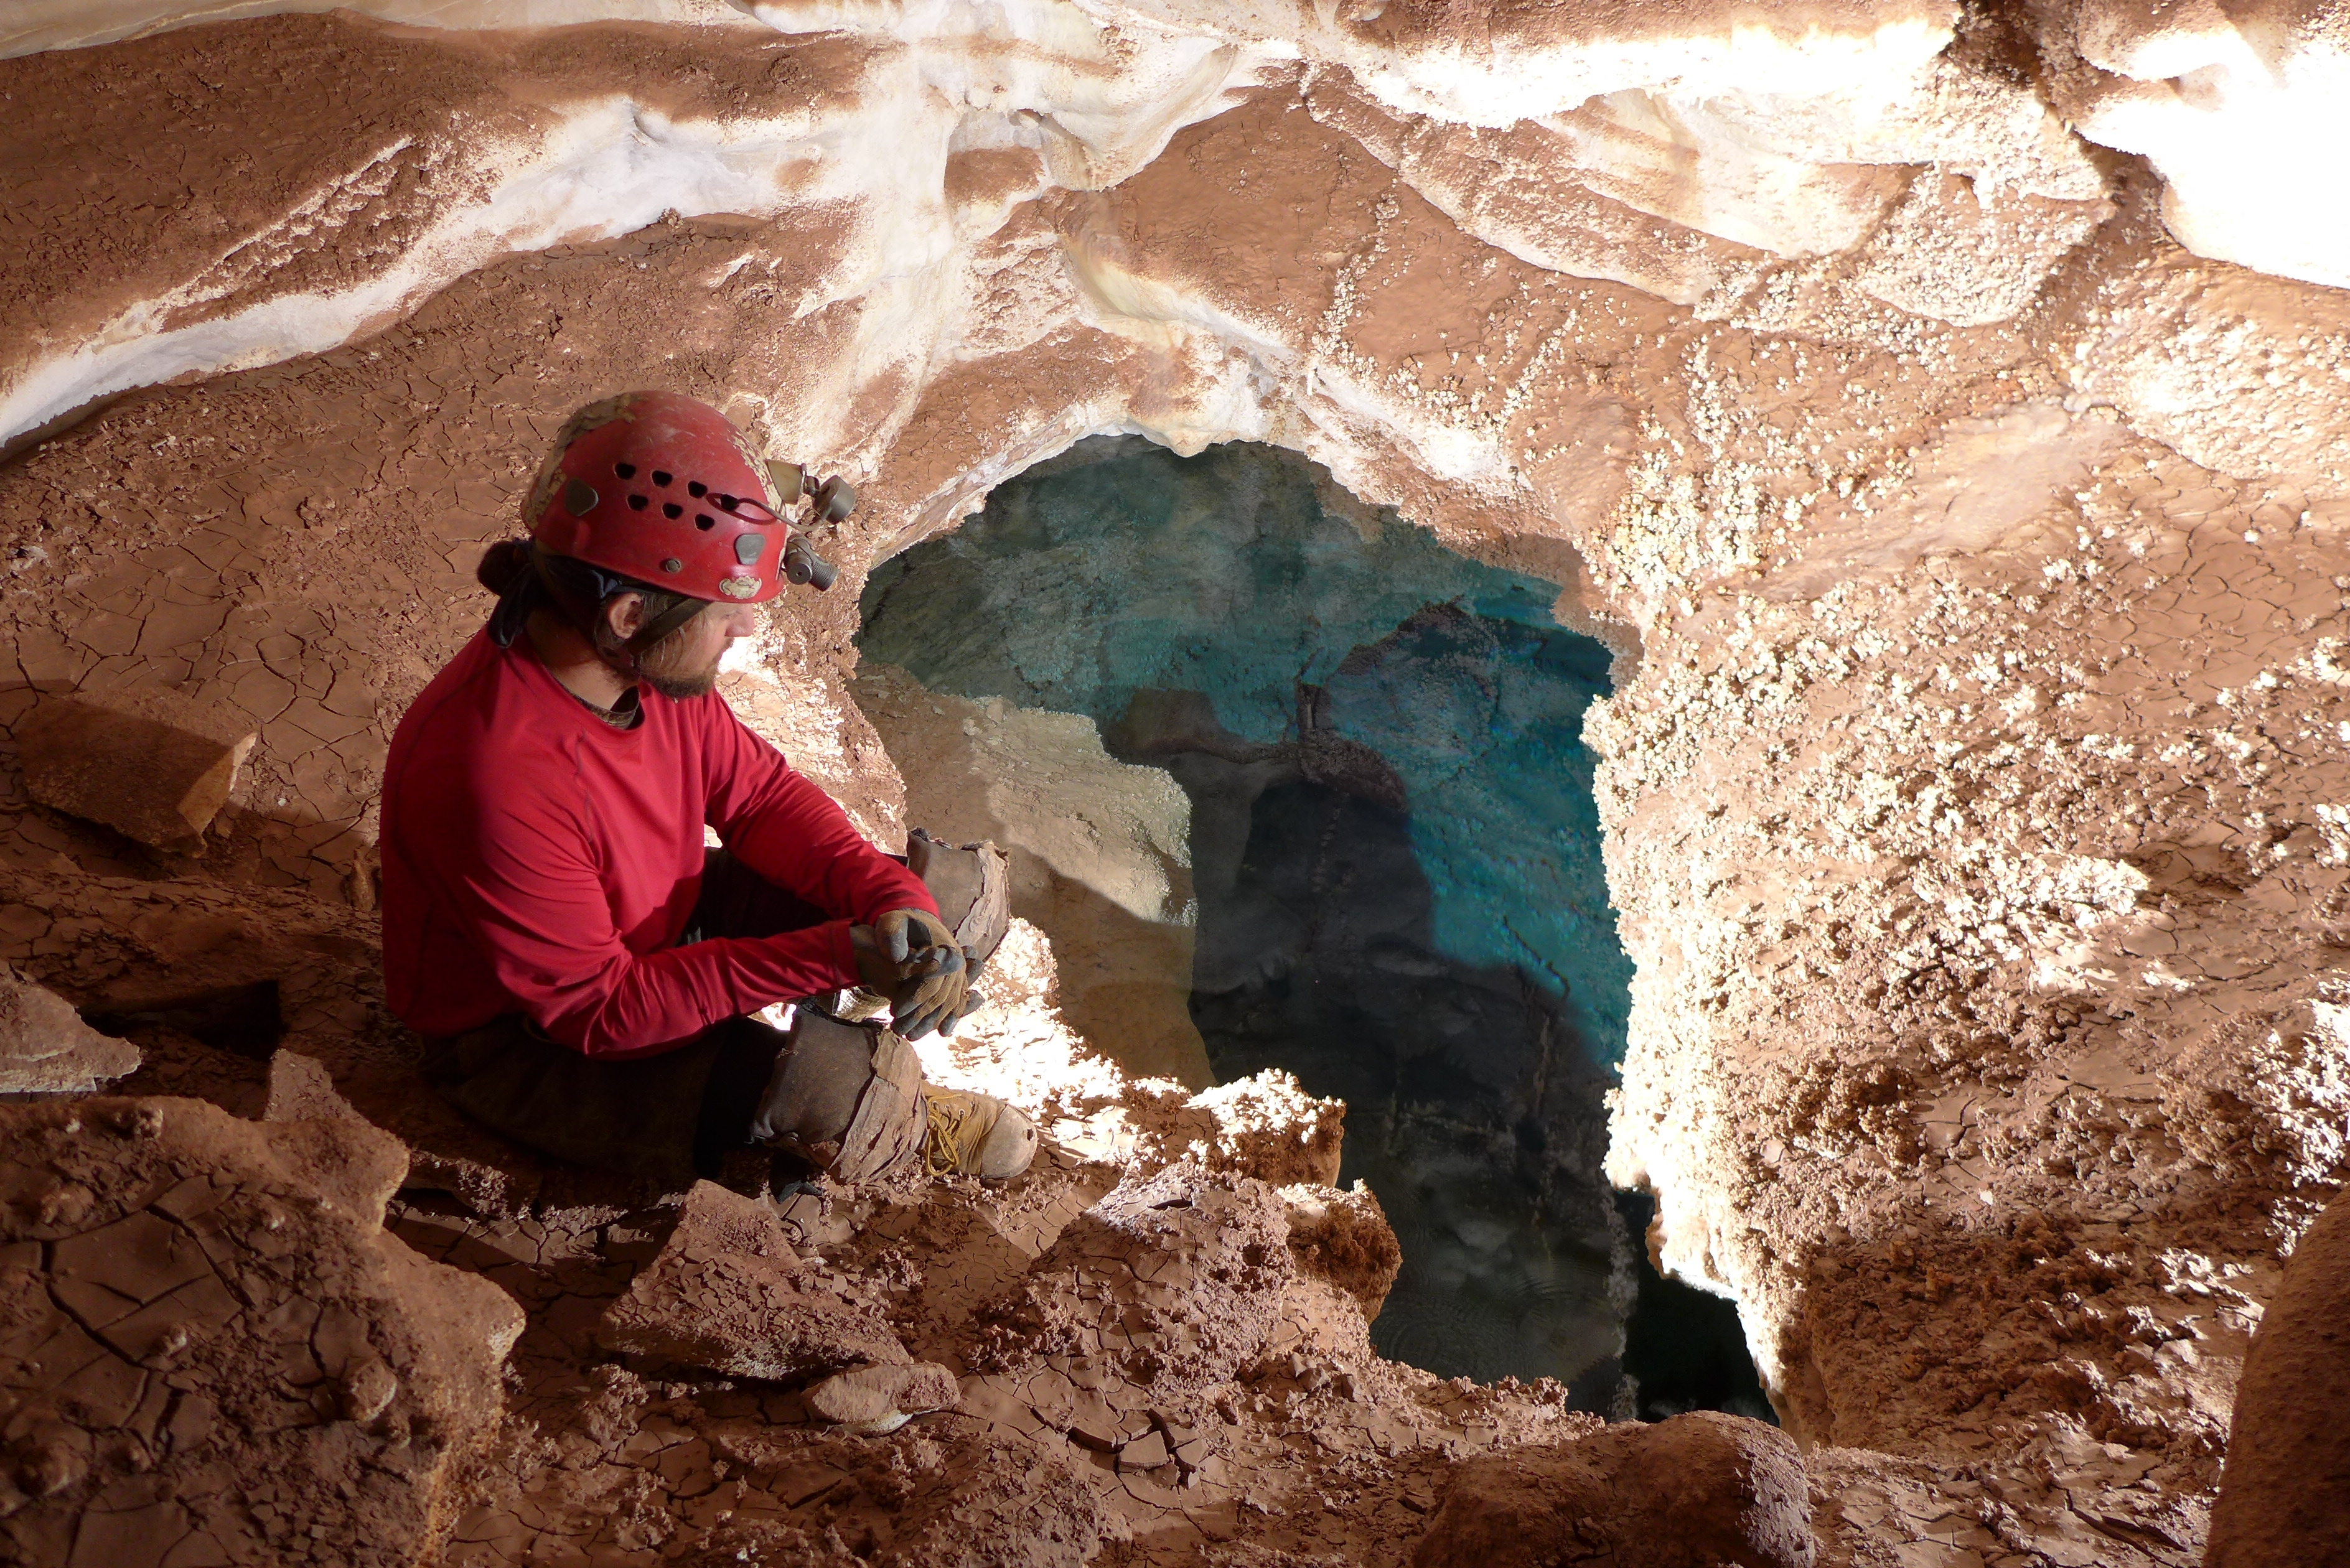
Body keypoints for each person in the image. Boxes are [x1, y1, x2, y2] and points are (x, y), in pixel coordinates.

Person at [378, 390, 1036, 1192]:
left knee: (948, 902)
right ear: (628, 614)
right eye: (727, 612)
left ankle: (850, 1014)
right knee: (831, 1102)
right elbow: (602, 1010)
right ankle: (895, 1111)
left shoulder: (637, 668)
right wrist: (828, 952)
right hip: (531, 1039)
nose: (749, 629)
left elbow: (758, 798)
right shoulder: (492, 776)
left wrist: (889, 901)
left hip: (657, 918)